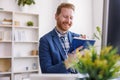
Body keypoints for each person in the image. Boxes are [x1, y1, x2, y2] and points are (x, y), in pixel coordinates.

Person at [39, 2, 82, 73]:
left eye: (71, 18)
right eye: (65, 17)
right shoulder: (45, 40)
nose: (68, 21)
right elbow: (46, 71)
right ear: (56, 16)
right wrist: (68, 62)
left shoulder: (77, 38)